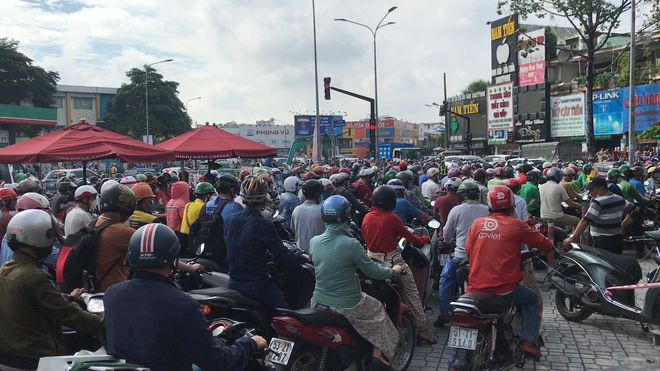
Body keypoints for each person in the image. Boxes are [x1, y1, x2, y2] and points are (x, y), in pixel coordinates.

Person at [104, 223, 265, 371]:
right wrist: (249, 344)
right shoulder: (182, 304)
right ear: (174, 259)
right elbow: (217, 362)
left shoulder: (112, 294)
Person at [0, 210, 103, 370]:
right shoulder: (36, 277)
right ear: (42, 237)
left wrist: (69, 298)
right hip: (35, 359)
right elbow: (69, 315)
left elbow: (33, 300)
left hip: (10, 356)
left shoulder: (5, 269)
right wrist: (106, 324)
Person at [310, 195, 402, 370]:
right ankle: (377, 355)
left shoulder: (314, 242)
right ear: (347, 216)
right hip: (347, 304)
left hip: (318, 301)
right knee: (378, 309)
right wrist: (393, 271)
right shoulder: (351, 244)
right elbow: (373, 271)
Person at [464, 186, 552, 361]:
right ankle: (527, 341)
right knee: (532, 299)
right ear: (512, 206)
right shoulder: (516, 225)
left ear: (488, 205)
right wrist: (550, 247)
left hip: (475, 285)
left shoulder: (477, 224)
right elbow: (545, 244)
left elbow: (468, 251)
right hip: (504, 287)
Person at [361, 185, 436, 345]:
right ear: (391, 201)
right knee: (412, 292)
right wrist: (424, 239)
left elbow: (365, 237)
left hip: (371, 260)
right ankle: (423, 329)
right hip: (392, 260)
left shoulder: (367, 217)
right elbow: (409, 236)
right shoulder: (391, 218)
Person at [225, 176, 309, 317]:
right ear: (265, 198)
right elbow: (282, 255)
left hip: (233, 282)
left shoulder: (231, 219)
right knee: (286, 318)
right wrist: (302, 258)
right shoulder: (263, 224)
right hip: (257, 285)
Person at [434, 182, 489, 328]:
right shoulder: (487, 210)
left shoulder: (456, 210)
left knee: (445, 279)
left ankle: (444, 314)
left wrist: (447, 241)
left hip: (460, 256)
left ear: (460, 195)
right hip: (483, 258)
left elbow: (447, 233)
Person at [563, 177, 634, 255]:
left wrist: (572, 237)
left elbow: (585, 221)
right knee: (616, 264)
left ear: (601, 189)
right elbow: (635, 210)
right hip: (617, 239)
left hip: (602, 241)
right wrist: (623, 224)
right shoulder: (620, 199)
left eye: (592, 190)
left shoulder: (598, 202)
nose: (590, 193)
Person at [94, 182, 136, 292]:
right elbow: (153, 251)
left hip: (94, 290)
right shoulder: (122, 231)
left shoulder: (93, 223)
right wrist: (188, 268)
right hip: (115, 292)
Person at [291, 179, 326, 253]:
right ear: (317, 194)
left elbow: (293, 230)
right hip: (318, 252)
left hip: (301, 252)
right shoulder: (321, 211)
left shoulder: (296, 209)